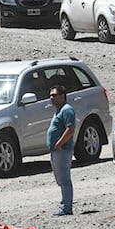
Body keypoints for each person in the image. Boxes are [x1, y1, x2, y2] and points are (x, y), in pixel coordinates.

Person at [46, 84, 75, 216]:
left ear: (62, 96)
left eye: (54, 95)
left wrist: (59, 143)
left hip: (63, 150)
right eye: (50, 95)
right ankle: (65, 204)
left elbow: (70, 129)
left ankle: (66, 207)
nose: (51, 98)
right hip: (56, 150)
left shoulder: (67, 110)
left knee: (64, 179)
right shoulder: (59, 110)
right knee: (60, 179)